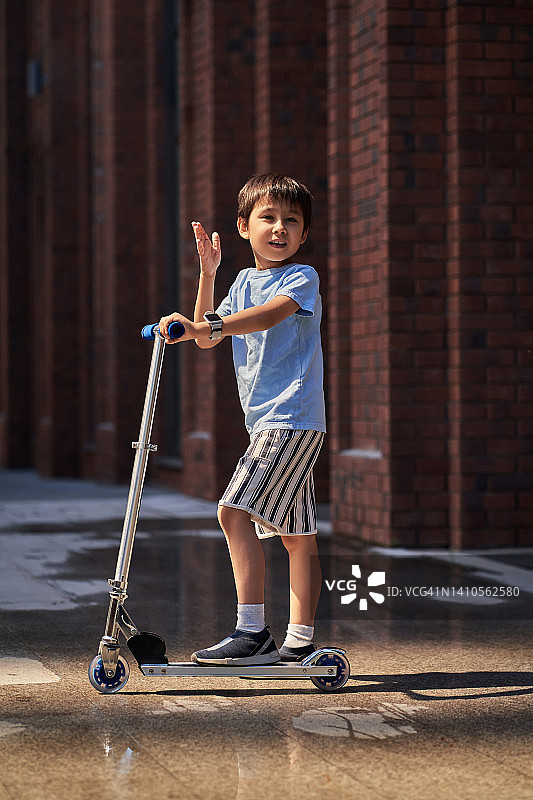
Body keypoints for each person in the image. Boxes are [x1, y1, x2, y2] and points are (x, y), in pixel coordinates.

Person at [158, 173, 326, 666]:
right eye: (268, 218)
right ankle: (301, 640)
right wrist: (207, 277)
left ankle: (252, 632)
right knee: (297, 536)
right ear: (242, 228)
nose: (279, 229)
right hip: (267, 422)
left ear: (304, 233)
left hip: (291, 417)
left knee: (233, 513)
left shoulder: (301, 277)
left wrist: (203, 324)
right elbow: (208, 338)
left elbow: (267, 317)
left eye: (291, 221)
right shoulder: (241, 281)